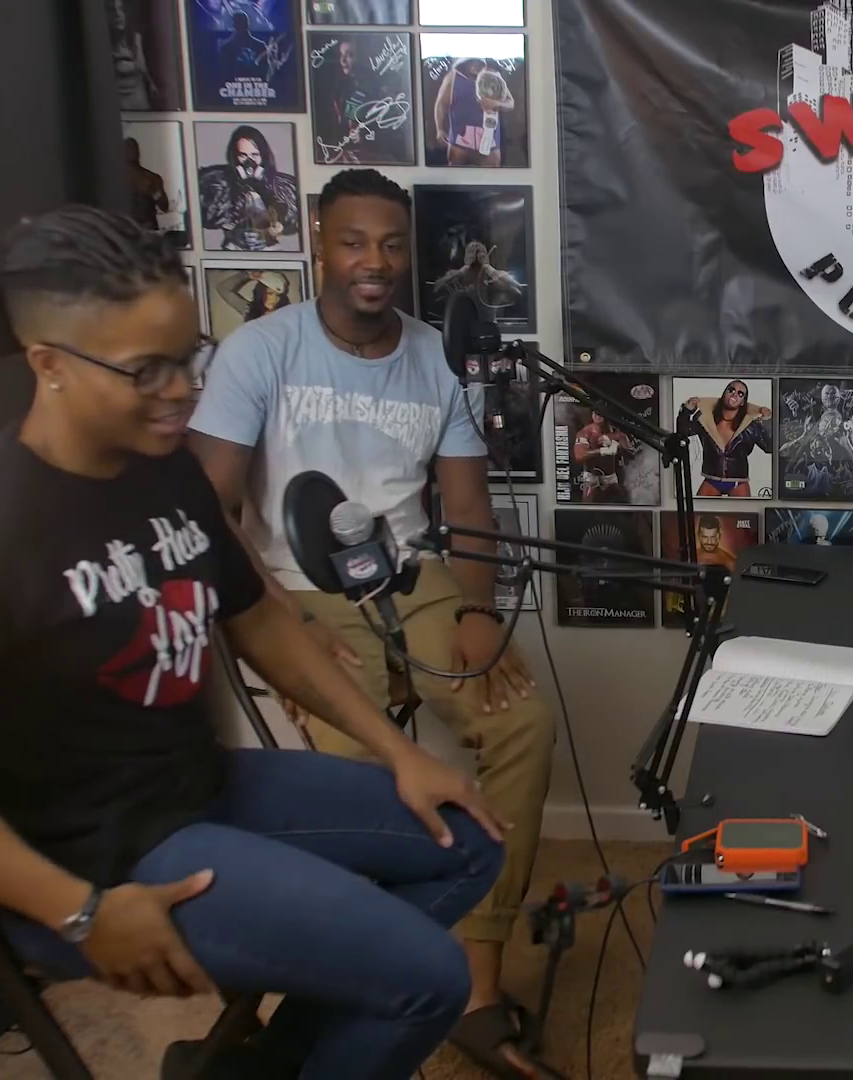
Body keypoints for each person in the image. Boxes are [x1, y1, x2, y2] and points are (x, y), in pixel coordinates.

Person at [0, 205, 505, 1080]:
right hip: (93, 860)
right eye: (147, 370)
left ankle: (264, 1067)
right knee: (427, 979)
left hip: (197, 788)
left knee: (468, 841)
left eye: (189, 359)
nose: (181, 391)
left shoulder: (163, 466)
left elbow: (255, 616)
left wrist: (398, 753)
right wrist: (78, 911)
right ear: (49, 364)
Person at [188, 169, 556, 1079]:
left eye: (391, 245)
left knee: (524, 723)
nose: (374, 262)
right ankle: (368, 983)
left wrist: (478, 611)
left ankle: (476, 984)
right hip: (295, 590)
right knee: (363, 788)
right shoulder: (259, 351)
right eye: (354, 242)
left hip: (412, 578)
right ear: (320, 242)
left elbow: (466, 504)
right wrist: (279, 631)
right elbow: (210, 511)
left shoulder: (432, 356)